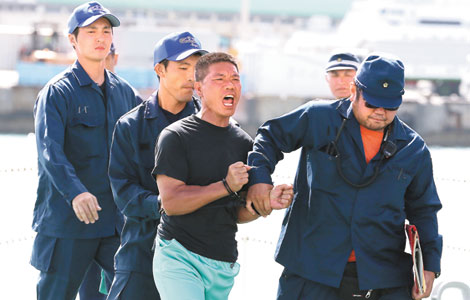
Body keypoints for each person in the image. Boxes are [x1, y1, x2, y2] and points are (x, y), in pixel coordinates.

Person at [247, 53, 442, 300]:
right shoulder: (318, 116)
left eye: (390, 106)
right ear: (354, 91)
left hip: (383, 275)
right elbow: (269, 137)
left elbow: (424, 210)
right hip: (311, 271)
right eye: (371, 103)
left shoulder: (414, 148)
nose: (380, 112)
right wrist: (259, 180)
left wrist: (430, 266)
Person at [151, 52, 294, 300]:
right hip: (179, 255)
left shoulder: (244, 144)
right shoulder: (175, 136)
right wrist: (225, 185)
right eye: (219, 79)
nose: (230, 85)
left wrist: (263, 205)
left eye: (235, 79)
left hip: (222, 263)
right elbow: (171, 203)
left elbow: (236, 213)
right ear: (199, 89)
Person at [30, 2, 138, 299]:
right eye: (91, 31)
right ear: (73, 40)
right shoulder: (57, 92)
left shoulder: (124, 92)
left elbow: (143, 146)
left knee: (131, 291)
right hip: (67, 223)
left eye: (106, 30)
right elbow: (49, 150)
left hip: (113, 223)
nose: (101, 37)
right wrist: (76, 192)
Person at [106, 31, 208, 300]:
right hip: (140, 253)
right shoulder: (130, 126)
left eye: (197, 69)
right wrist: (165, 203)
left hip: (195, 259)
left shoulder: (213, 126)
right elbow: (123, 191)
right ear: (159, 69)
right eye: (182, 67)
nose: (191, 76)